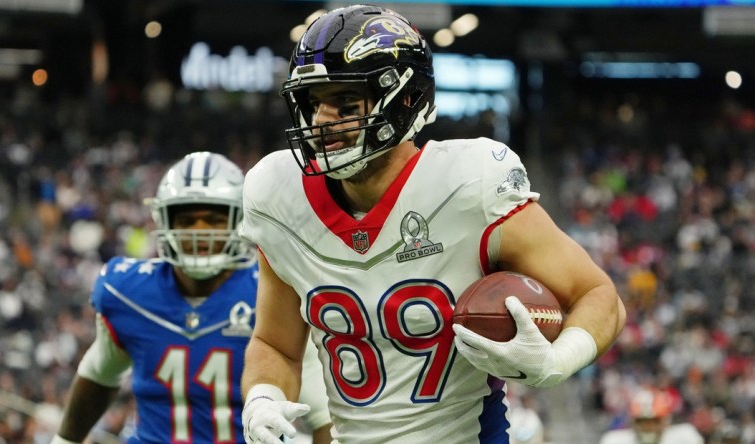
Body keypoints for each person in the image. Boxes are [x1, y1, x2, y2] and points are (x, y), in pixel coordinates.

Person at [238, 4, 626, 444]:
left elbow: (599, 296)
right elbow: (275, 345)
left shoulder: (468, 185)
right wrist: (264, 398)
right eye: (314, 103)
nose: (322, 121)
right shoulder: (278, 196)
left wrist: (556, 363)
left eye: (345, 102)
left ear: (404, 100)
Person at [51, 152, 332, 444]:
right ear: (163, 220)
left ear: (239, 220)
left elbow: (325, 415)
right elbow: (99, 374)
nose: (200, 231)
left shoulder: (271, 291)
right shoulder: (129, 293)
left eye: (213, 219)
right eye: (186, 219)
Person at [599, 389, 704, 444]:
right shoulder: (614, 440)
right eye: (643, 422)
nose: (648, 427)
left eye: (654, 421)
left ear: (665, 421)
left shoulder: (685, 436)